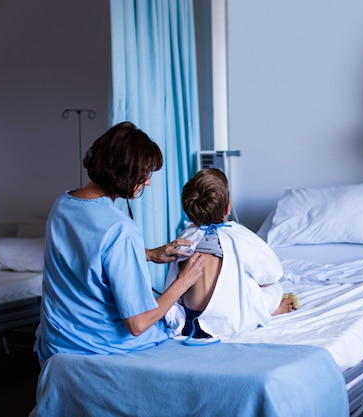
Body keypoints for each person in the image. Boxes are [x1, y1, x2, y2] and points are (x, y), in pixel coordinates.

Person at [34, 122, 204, 365]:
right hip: (101, 348)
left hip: (58, 344)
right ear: (125, 173)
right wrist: (182, 282)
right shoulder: (119, 228)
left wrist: (147, 254)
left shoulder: (63, 205)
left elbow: (88, 255)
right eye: (145, 174)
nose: (148, 183)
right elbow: (138, 323)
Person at [164, 168, 296, 340]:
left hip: (190, 322)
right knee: (274, 287)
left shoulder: (186, 235)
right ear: (228, 207)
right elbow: (272, 274)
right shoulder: (239, 235)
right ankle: (269, 311)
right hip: (228, 323)